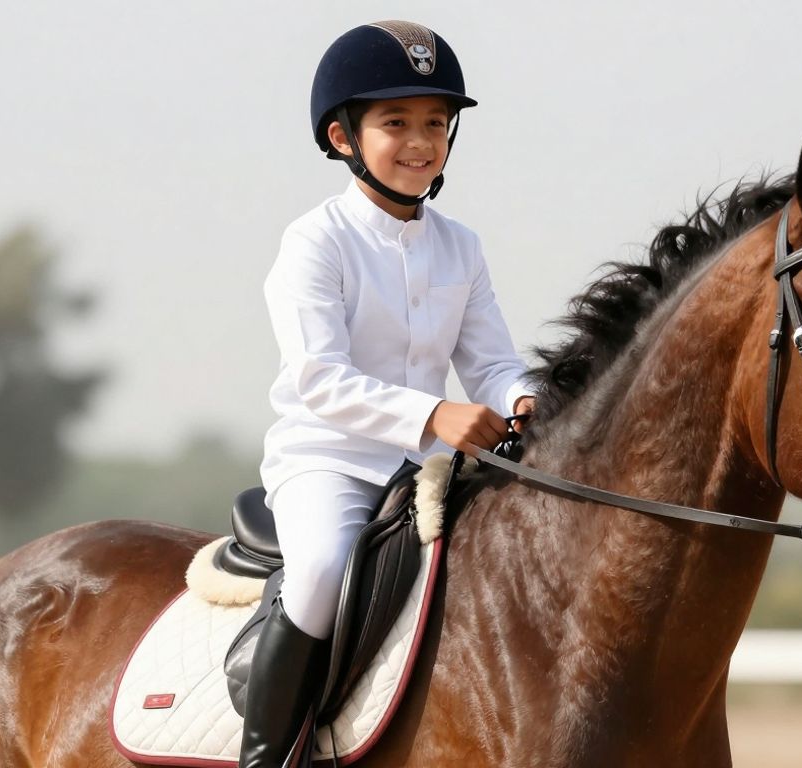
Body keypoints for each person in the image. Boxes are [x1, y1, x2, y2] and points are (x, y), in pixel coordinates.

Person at [239, 20, 537, 767]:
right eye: (395, 122)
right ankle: (267, 756)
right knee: (315, 577)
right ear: (342, 136)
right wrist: (435, 412)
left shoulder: (460, 246)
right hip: (330, 461)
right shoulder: (316, 242)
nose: (420, 141)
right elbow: (319, 378)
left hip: (429, 471)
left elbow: (493, 363)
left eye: (435, 123)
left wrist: (529, 399)